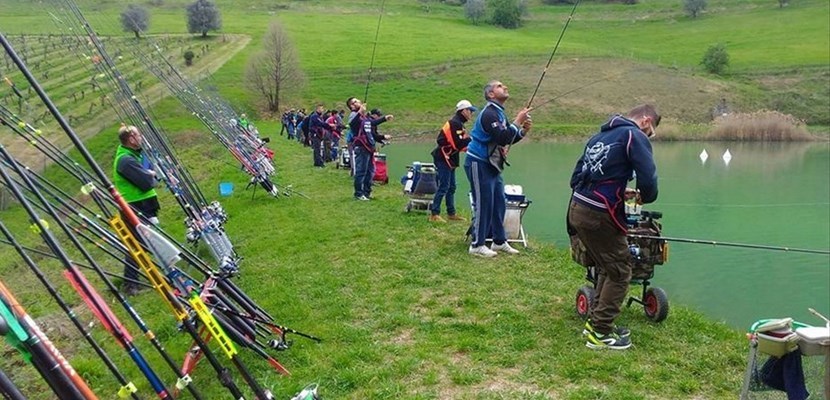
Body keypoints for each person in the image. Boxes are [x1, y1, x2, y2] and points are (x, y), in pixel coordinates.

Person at [567, 104, 660, 350]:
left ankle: (595, 323)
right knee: (620, 271)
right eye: (650, 133)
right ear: (646, 122)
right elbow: (648, 179)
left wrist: (618, 189)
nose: (647, 137)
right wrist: (644, 196)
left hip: (578, 208)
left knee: (607, 267)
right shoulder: (633, 135)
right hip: (600, 214)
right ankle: (600, 334)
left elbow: (576, 178)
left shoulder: (598, 137)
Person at [465, 81, 531, 257]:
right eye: (500, 86)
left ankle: (499, 241)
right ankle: (477, 244)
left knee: (499, 202)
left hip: (492, 164)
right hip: (478, 162)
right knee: (483, 203)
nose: (505, 87)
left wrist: (522, 131)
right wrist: (517, 120)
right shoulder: (489, 113)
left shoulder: (499, 113)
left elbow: (508, 138)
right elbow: (502, 137)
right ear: (491, 94)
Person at [113, 124, 160, 296]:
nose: (141, 138)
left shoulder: (134, 155)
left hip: (143, 204)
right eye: (138, 135)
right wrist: (151, 175)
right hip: (134, 206)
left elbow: (152, 175)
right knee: (137, 245)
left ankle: (143, 278)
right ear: (131, 138)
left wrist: (151, 173)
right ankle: (130, 284)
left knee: (145, 243)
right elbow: (147, 181)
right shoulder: (125, 160)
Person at [429, 99, 475, 223]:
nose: (471, 113)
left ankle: (451, 213)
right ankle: (434, 213)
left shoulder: (459, 123)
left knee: (452, 187)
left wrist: (468, 142)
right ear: (463, 111)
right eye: (470, 111)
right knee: (444, 186)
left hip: (451, 158)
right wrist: (471, 139)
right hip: (443, 157)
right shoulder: (455, 123)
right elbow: (457, 144)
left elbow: (461, 144)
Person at [346, 97, 392, 200]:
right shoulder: (354, 115)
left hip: (369, 147)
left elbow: (371, 123)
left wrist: (384, 119)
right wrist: (359, 112)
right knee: (361, 171)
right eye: (356, 101)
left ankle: (366, 193)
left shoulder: (364, 117)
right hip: (361, 147)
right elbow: (352, 124)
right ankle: (358, 194)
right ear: (352, 106)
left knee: (370, 171)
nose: (359, 102)